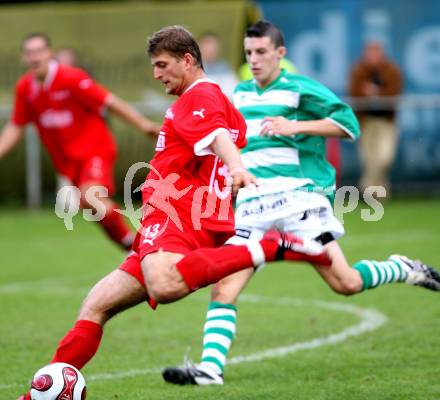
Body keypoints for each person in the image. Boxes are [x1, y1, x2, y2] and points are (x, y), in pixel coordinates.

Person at [16, 25, 331, 400]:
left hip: (178, 216)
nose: (156, 74)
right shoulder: (204, 98)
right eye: (153, 66)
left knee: (164, 286)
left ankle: (269, 246)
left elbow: (216, 135)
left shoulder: (199, 96)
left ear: (187, 60)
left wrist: (236, 167)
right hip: (175, 218)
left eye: (162, 64)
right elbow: (223, 136)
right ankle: (42, 392)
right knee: (96, 305)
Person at [161, 20, 440, 386]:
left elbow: (348, 123)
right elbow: (222, 139)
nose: (255, 59)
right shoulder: (237, 94)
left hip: (298, 202)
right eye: (249, 53)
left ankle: (401, 268)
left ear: (280, 53)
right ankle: (210, 369)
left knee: (347, 283)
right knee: (224, 286)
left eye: (262, 52)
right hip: (252, 206)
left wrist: (297, 127)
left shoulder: (298, 89)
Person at [0, 33, 159, 251]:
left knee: (90, 197)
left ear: (49, 54)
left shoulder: (71, 78)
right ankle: (131, 246)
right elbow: (16, 125)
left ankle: (142, 246)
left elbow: (109, 101)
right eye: (29, 53)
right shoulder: (25, 88)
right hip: (69, 163)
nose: (34, 57)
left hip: (95, 151)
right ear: (23, 58)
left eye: (39, 51)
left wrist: (143, 124)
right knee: (92, 207)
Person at [349, 41, 402, 194]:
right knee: (368, 159)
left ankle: (367, 185)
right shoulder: (358, 70)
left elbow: (394, 93)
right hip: (366, 121)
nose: (372, 57)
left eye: (376, 53)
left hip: (386, 122)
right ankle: (380, 194)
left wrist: (376, 92)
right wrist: (367, 93)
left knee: (385, 158)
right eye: (370, 53)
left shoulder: (391, 70)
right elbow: (354, 93)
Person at [198, 31, 238, 98]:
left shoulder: (225, 69)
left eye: (213, 45)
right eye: (207, 44)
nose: (211, 49)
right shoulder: (190, 69)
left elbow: (233, 93)